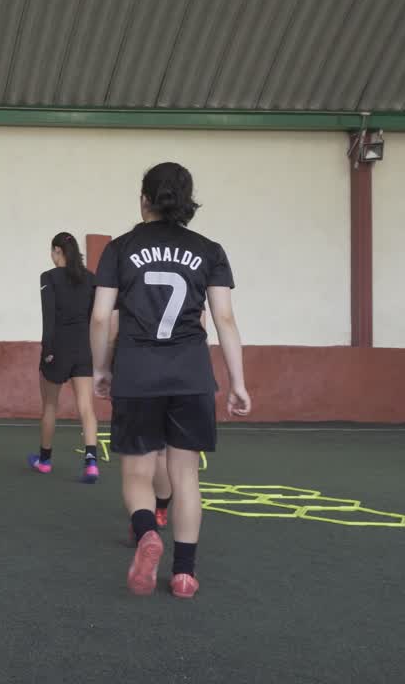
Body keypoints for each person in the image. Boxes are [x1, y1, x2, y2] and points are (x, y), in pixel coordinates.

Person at [91, 162, 251, 599]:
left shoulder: (119, 249)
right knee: (185, 477)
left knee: (138, 473)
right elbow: (224, 318)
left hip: (137, 372)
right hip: (192, 373)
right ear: (187, 203)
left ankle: (146, 533)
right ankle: (184, 573)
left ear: (144, 199)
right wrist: (238, 382)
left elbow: (102, 316)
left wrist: (102, 368)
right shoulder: (210, 250)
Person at [29, 233, 101, 483]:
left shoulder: (48, 278)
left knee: (50, 405)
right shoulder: (91, 279)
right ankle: (91, 462)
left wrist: (47, 350)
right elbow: (95, 318)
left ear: (58, 251)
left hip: (58, 348)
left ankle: (45, 460)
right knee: (86, 406)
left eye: (52, 251)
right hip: (83, 347)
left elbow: (48, 318)